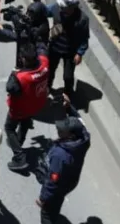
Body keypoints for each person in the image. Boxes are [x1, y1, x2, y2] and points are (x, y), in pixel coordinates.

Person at [38, 95, 91, 223]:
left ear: (71, 135)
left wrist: (43, 198)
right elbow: (80, 121)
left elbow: (52, 181)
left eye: (62, 130)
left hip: (59, 184)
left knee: (47, 212)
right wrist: (69, 107)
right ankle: (54, 211)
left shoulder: (60, 155)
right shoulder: (84, 139)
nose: (59, 130)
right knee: (58, 199)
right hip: (71, 180)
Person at [5, 42, 50, 171]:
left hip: (20, 108)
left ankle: (19, 157)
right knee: (25, 123)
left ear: (24, 59)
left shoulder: (20, 77)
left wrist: (13, 72)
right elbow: (42, 47)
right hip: (36, 104)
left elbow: (9, 88)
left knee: (9, 128)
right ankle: (19, 141)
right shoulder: (44, 63)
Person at [46, 0, 90, 99]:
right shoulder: (56, 8)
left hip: (70, 51)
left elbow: (84, 38)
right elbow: (44, 11)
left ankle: (68, 94)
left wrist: (79, 53)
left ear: (73, 8)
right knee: (50, 69)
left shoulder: (83, 19)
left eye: (65, 8)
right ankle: (47, 87)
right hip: (54, 47)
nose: (62, 9)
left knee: (68, 76)